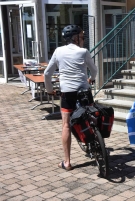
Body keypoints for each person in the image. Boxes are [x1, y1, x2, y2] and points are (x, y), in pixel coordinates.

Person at [44, 25, 98, 170]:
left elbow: (47, 74)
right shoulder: (83, 52)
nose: (83, 39)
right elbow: (94, 70)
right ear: (75, 38)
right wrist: (91, 79)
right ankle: (95, 141)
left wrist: (50, 90)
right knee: (92, 115)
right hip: (84, 91)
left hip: (67, 93)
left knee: (66, 125)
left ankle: (67, 162)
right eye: (82, 37)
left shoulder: (58, 51)